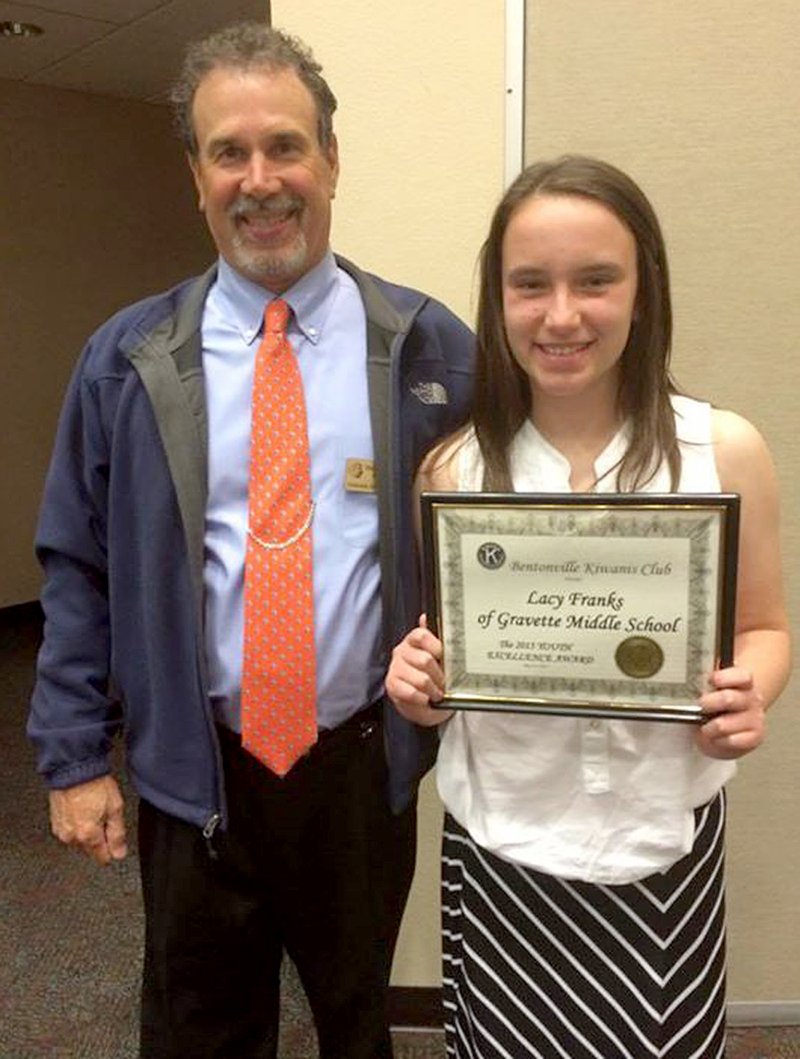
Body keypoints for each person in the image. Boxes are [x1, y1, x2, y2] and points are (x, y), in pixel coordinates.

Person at [27, 22, 474, 1059]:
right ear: (195, 174)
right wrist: (71, 759)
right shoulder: (125, 360)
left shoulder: (425, 346)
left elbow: (498, 524)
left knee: (357, 1022)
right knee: (195, 1031)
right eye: (229, 152)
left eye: (286, 146)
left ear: (330, 159)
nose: (260, 178)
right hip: (196, 771)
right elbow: (76, 565)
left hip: (360, 771)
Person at [386, 155, 790, 1059]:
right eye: (530, 285)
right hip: (502, 850)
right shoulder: (452, 473)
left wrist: (745, 694)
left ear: (644, 290)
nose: (561, 315)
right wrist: (422, 684)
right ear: (497, 301)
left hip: (663, 845)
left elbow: (764, 628)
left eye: (596, 281)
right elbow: (448, 660)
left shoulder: (724, 453)